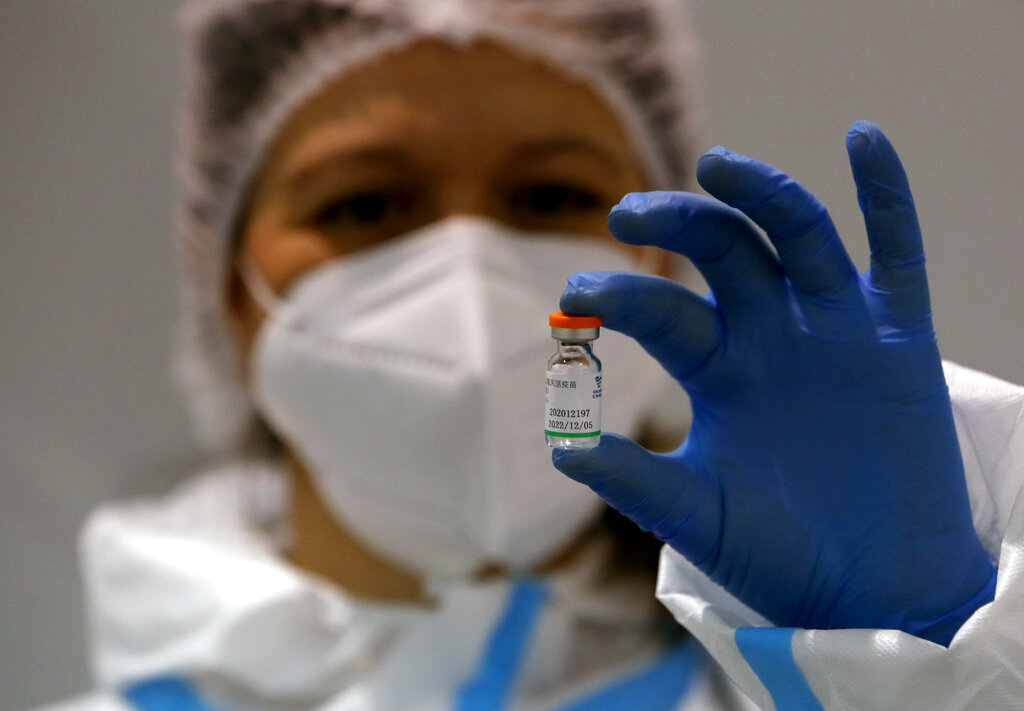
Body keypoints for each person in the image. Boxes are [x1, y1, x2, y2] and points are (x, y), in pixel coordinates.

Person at [35, 1, 1024, 710]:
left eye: (548, 196)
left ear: (659, 263)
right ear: (229, 295)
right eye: (364, 205)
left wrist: (920, 660)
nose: (469, 265)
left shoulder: (829, 685)